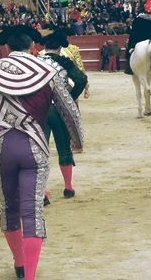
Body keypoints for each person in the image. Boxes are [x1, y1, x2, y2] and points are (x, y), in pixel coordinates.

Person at [0, 25, 84, 280]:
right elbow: (69, 110)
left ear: (6, 48)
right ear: (32, 47)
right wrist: (78, 140)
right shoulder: (48, 71)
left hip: (2, 147)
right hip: (34, 146)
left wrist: (0, 128)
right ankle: (29, 276)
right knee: (32, 213)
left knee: (9, 209)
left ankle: (19, 265)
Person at [37, 28, 88, 201]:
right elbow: (81, 80)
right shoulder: (64, 62)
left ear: (44, 47)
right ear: (59, 48)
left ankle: (42, 192)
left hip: (39, 109)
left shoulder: (34, 61)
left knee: (39, 149)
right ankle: (68, 187)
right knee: (64, 148)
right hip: (58, 109)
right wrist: (70, 98)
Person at [124, 8, 151, 75]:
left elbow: (134, 32)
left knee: (130, 49)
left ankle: (130, 68)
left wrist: (132, 40)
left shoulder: (138, 19)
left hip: (139, 40)